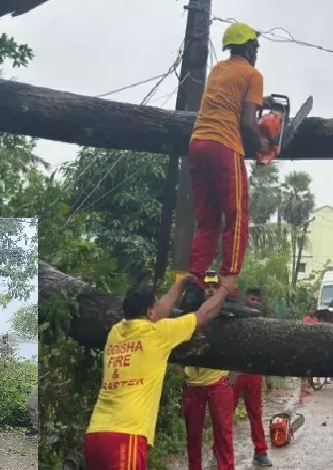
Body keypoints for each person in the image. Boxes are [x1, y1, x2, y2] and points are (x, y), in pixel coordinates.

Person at [83, 275, 228, 470]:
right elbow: (203, 315)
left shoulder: (115, 334)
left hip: (95, 436)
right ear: (150, 311)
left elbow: (158, 311)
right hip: (126, 437)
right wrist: (225, 289)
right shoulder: (159, 334)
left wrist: (180, 284)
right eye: (156, 305)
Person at [184, 22, 273, 315]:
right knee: (237, 217)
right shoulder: (252, 74)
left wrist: (262, 102)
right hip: (224, 146)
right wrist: (261, 145)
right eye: (255, 48)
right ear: (249, 48)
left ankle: (194, 288)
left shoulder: (218, 71)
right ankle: (229, 290)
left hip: (197, 144)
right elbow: (247, 125)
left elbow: (229, 104)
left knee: (207, 220)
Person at [179, 272, 235, 470]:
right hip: (193, 385)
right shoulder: (189, 314)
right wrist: (180, 373)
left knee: (224, 434)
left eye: (215, 286)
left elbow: (238, 347)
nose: (211, 290)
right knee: (193, 436)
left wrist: (233, 373)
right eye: (207, 287)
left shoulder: (229, 315)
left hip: (218, 383)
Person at [237, 287, 271, 466]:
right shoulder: (235, 318)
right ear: (244, 299)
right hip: (235, 373)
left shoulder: (263, 323)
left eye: (258, 300)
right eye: (252, 299)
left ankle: (260, 451)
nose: (255, 302)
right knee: (225, 415)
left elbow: (266, 353)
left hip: (254, 374)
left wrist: (269, 377)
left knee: (256, 414)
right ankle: (216, 451)